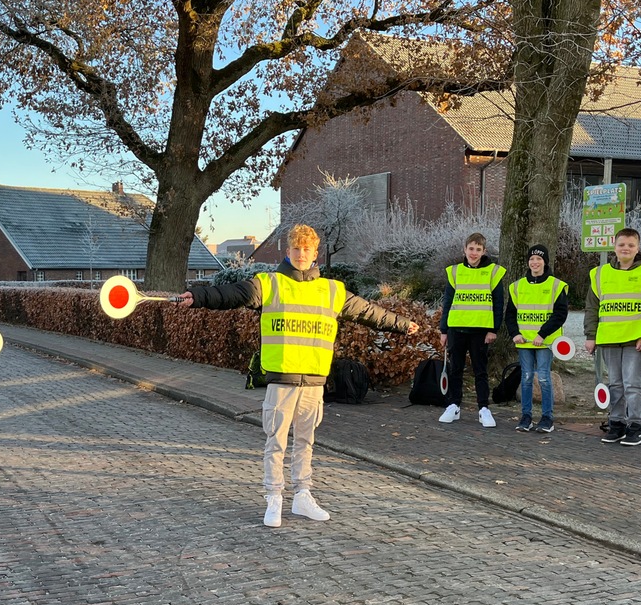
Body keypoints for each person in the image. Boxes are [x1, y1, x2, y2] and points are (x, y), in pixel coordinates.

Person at [178, 224, 419, 528]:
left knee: (306, 441)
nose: (302, 254)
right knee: (275, 442)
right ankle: (274, 498)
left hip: (314, 382)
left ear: (315, 253)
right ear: (288, 251)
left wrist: (401, 323)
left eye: (307, 249)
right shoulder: (270, 284)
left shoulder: (332, 291)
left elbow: (369, 312)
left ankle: (303, 495)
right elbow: (232, 294)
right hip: (282, 379)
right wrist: (198, 297)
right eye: (296, 248)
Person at [584, 227, 641, 446]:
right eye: (622, 244)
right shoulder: (600, 273)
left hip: (636, 339)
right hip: (608, 338)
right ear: (614, 247)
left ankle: (637, 426)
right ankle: (616, 423)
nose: (626, 249)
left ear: (637, 248)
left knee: (633, 384)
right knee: (615, 384)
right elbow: (592, 307)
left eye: (631, 245)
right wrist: (590, 335)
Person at [438, 232, 505, 428]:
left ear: (484, 251)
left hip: (481, 330)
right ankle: (453, 405)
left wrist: (493, 329)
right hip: (456, 328)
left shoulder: (493, 272)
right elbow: (448, 302)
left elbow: (498, 303)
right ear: (464, 250)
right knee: (455, 370)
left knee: (480, 371)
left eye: (478, 249)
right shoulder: (455, 272)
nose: (474, 253)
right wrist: (444, 330)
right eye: (471, 249)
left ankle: (483, 408)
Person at [504, 243, 570, 433]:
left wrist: (542, 334)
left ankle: (547, 418)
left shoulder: (556, 285)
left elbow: (560, 314)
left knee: (543, 378)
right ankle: (526, 416)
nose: (534, 262)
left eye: (539, 259)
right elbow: (510, 314)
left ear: (545, 262)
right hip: (524, 341)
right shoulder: (517, 287)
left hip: (545, 342)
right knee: (525, 378)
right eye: (531, 259)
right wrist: (514, 333)